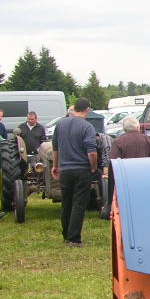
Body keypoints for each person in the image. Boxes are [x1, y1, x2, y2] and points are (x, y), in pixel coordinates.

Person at [52, 97, 98, 247]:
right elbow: (91, 152)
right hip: (81, 169)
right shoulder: (87, 127)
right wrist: (93, 167)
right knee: (79, 203)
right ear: (87, 110)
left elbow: (55, 148)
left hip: (65, 169)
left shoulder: (60, 124)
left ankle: (66, 234)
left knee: (66, 203)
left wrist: (55, 165)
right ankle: (74, 238)